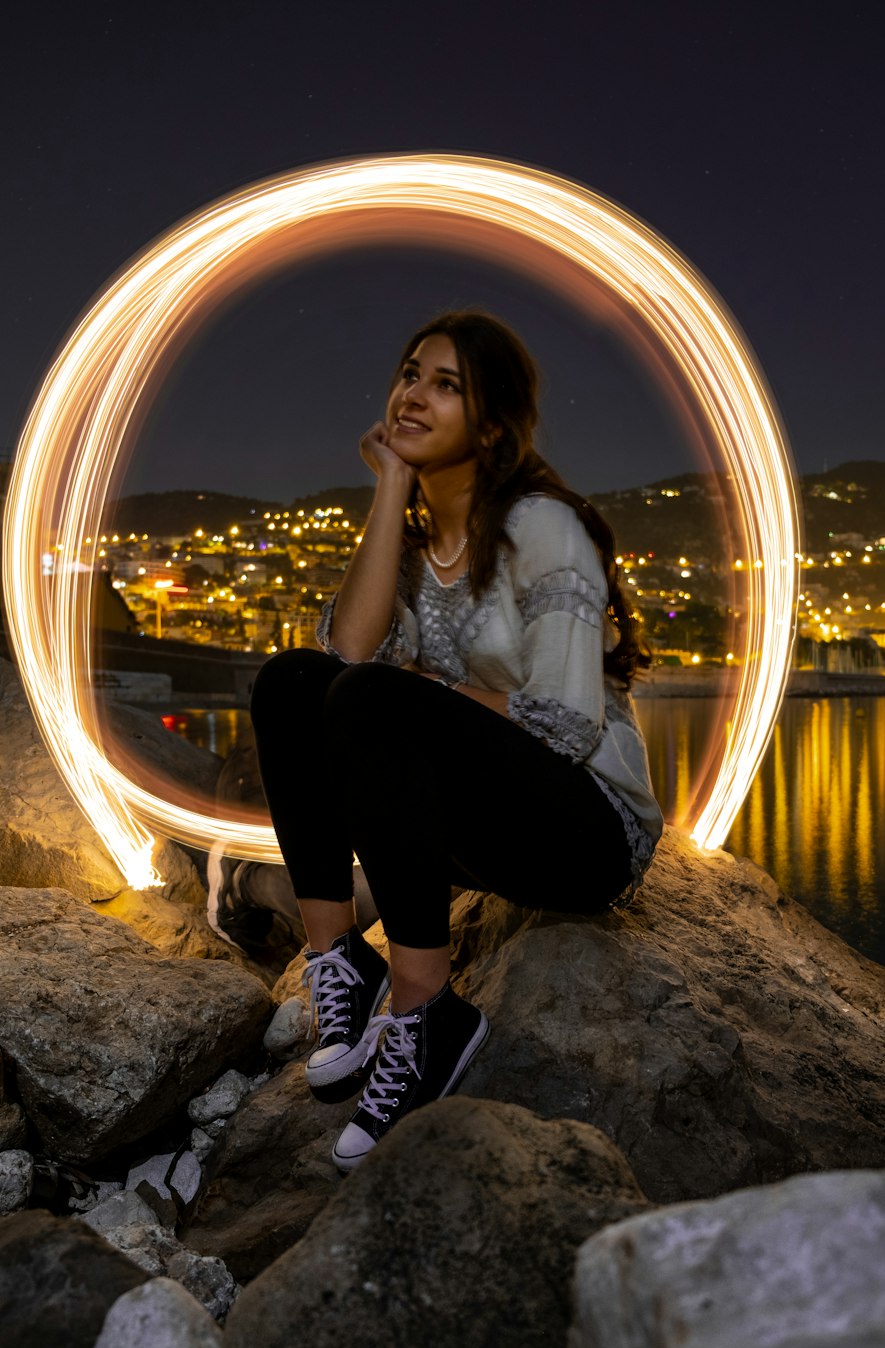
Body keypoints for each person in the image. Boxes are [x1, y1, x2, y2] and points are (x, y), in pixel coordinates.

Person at [249, 310, 663, 1171]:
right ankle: (338, 960)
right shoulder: (412, 538)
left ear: (493, 423)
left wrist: (425, 692)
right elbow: (346, 655)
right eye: (409, 373)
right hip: (483, 826)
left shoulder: (544, 527)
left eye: (447, 384)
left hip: (585, 831)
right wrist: (392, 487)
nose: (414, 393)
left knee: (372, 698)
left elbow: (563, 723)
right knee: (292, 682)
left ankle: (431, 1012)